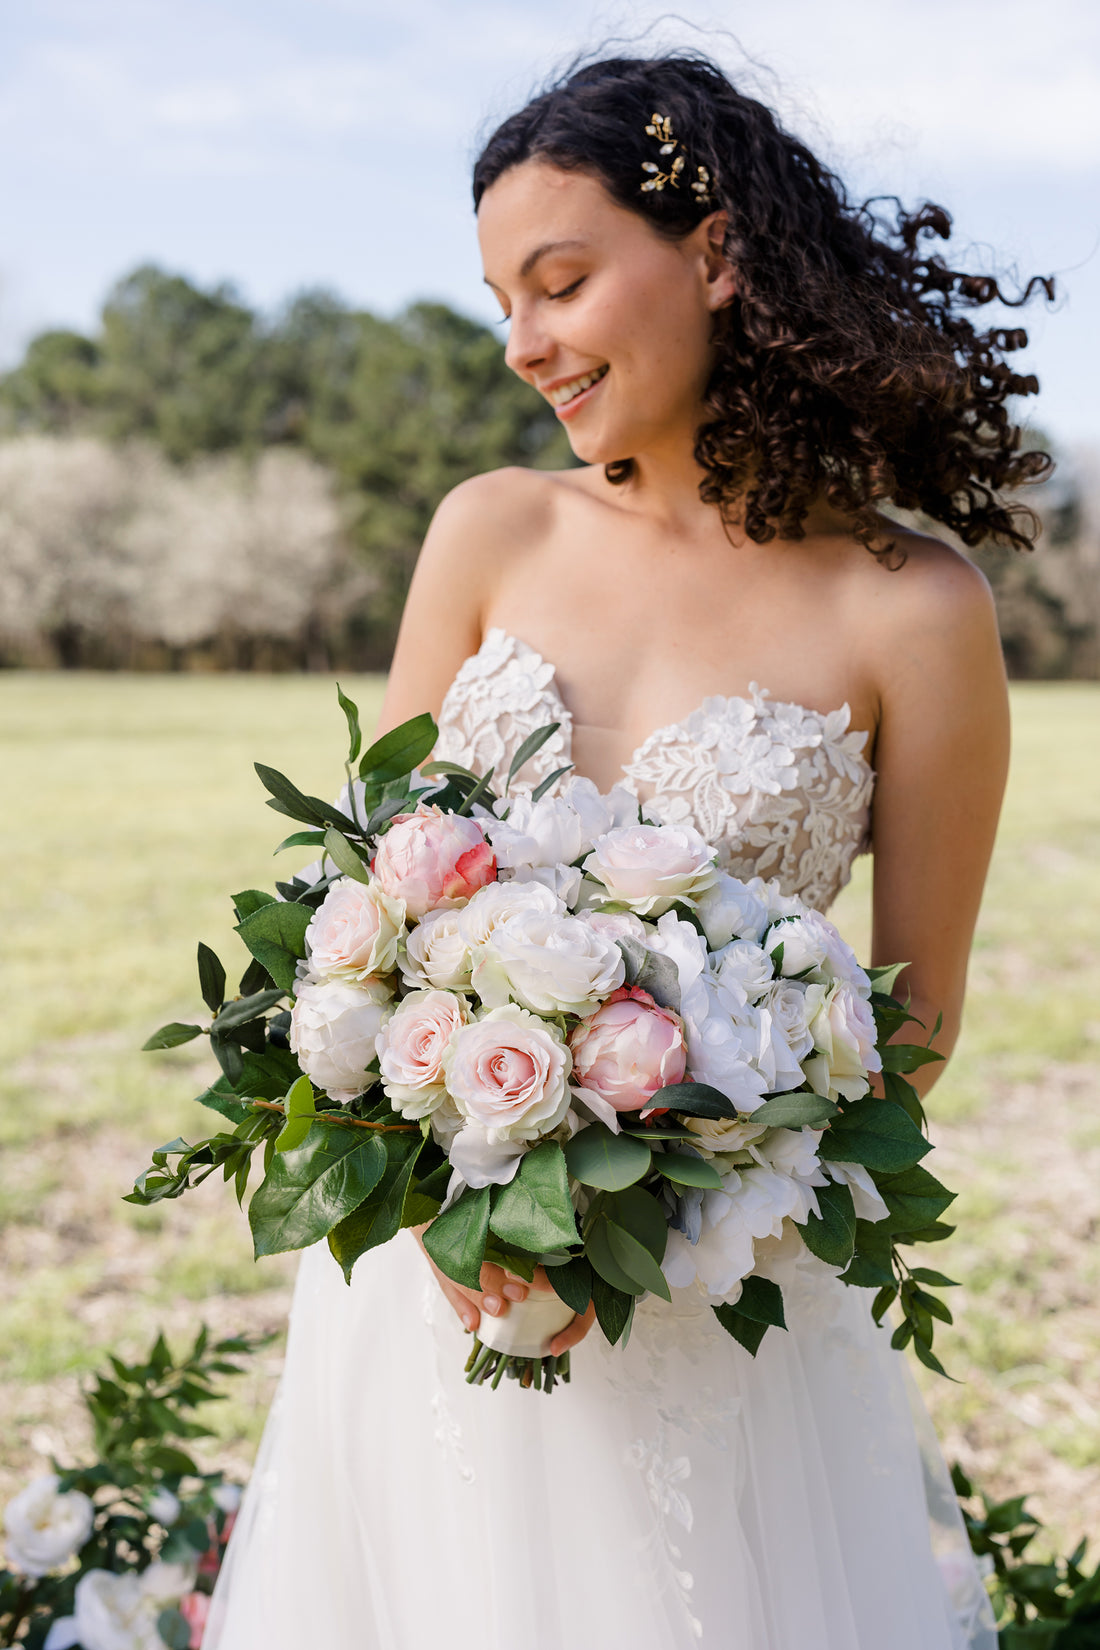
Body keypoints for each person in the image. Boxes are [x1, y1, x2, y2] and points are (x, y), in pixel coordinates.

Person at [207, 51, 1051, 1650]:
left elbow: (915, 1028)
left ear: (718, 257)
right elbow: (365, 906)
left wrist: (634, 1229)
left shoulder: (917, 612)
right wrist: (438, 1194)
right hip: (429, 1289)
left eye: (563, 281)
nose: (524, 344)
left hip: (712, 1318)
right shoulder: (489, 532)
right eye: (499, 302)